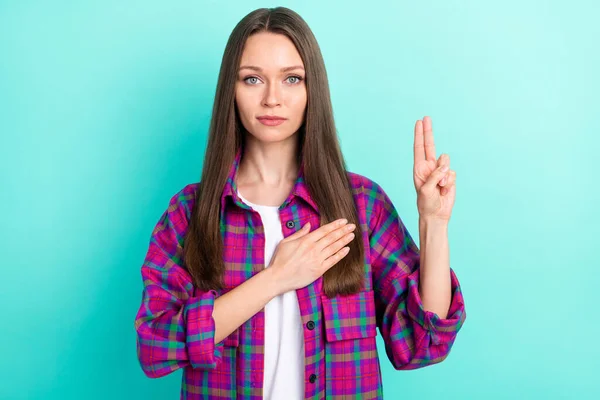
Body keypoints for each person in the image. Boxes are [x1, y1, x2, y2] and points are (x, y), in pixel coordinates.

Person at [134, 6, 466, 400]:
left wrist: (433, 223)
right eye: (253, 79)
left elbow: (423, 345)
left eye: (292, 79)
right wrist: (275, 279)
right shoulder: (189, 213)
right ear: (232, 90)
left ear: (313, 91)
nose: (272, 98)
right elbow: (154, 348)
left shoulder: (361, 205)